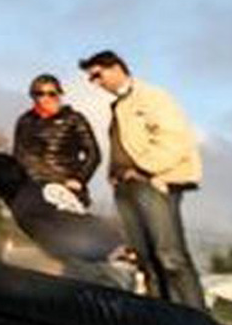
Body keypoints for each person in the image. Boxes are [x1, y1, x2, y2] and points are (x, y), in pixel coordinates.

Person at [79, 50, 206, 310]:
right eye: (91, 78)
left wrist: (145, 170)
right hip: (126, 188)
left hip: (152, 185)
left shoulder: (151, 96)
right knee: (147, 260)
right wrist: (116, 177)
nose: (95, 82)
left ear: (115, 68)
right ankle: (160, 316)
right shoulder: (119, 105)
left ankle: (195, 316)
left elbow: (175, 138)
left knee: (170, 258)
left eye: (97, 75)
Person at [0, 153, 134, 290]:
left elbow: (58, 243)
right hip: (111, 246)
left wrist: (13, 256)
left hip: (99, 263)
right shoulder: (46, 186)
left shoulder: (23, 208)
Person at [12, 74, 100, 207]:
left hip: (64, 190)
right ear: (33, 95)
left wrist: (79, 179)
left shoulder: (74, 119)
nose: (46, 98)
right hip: (32, 189)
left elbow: (93, 153)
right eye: (40, 93)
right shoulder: (24, 120)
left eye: (51, 93)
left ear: (59, 94)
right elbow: (18, 154)